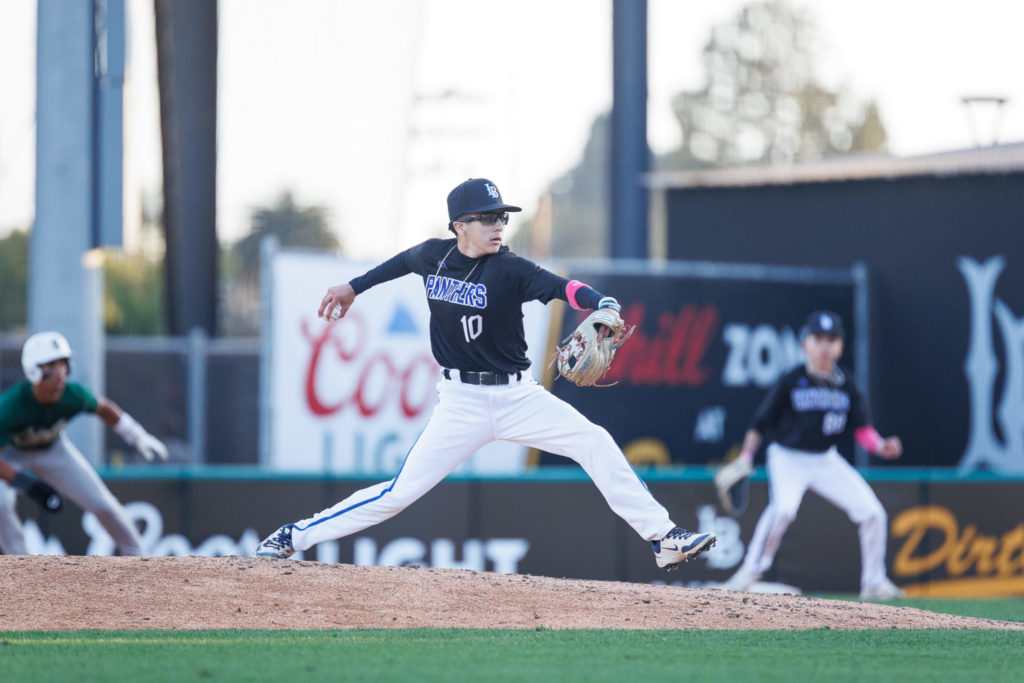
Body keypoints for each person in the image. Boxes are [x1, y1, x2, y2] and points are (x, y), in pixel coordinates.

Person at [256, 177, 717, 569]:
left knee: (593, 440)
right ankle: (293, 536)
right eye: (487, 218)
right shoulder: (432, 256)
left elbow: (563, 287)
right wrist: (354, 287)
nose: (498, 226)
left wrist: (603, 303)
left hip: (520, 398)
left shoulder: (510, 269)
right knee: (399, 493)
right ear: (460, 225)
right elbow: (398, 264)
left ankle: (663, 538)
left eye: (502, 218)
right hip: (461, 403)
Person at [718, 310, 905, 600]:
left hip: (825, 459)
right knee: (783, 510)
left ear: (840, 346)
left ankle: (874, 582)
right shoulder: (791, 381)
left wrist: (881, 446)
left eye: (831, 339)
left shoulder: (847, 385)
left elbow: (862, 430)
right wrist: (745, 457)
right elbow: (760, 423)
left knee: (872, 513)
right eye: (818, 338)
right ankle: (749, 572)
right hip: (788, 457)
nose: (825, 346)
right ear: (806, 343)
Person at [0, 331, 169, 555]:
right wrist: (25, 484)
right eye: (51, 365)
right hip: (11, 454)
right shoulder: (10, 407)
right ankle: (18, 565)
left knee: (104, 504)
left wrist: (138, 436)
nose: (60, 373)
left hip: (53, 450)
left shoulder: (71, 395)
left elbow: (104, 409)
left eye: (63, 364)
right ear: (33, 370)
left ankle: (140, 558)